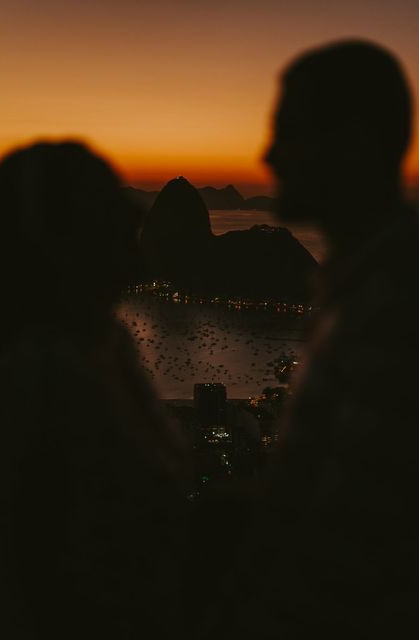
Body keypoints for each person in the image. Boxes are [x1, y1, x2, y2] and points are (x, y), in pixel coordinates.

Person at [203, 40, 419, 639]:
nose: (267, 154)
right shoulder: (360, 285)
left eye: (288, 132)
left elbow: (353, 538)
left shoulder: (391, 306)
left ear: (353, 141)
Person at [0, 142, 188, 639]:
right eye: (113, 217)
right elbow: (45, 568)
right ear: (64, 243)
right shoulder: (37, 369)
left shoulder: (103, 341)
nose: (134, 229)